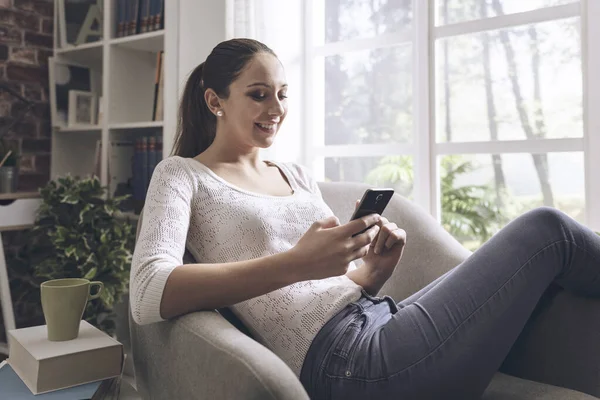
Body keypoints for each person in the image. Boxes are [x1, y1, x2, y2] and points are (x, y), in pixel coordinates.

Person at [130, 38, 600, 400]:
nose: (276, 110)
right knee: (547, 232)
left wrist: (370, 275)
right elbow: (150, 293)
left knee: (548, 287)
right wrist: (299, 262)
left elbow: (319, 286)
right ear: (215, 101)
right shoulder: (183, 175)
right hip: (350, 362)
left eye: (282, 94)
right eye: (258, 95)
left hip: (376, 320)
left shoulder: (293, 173)